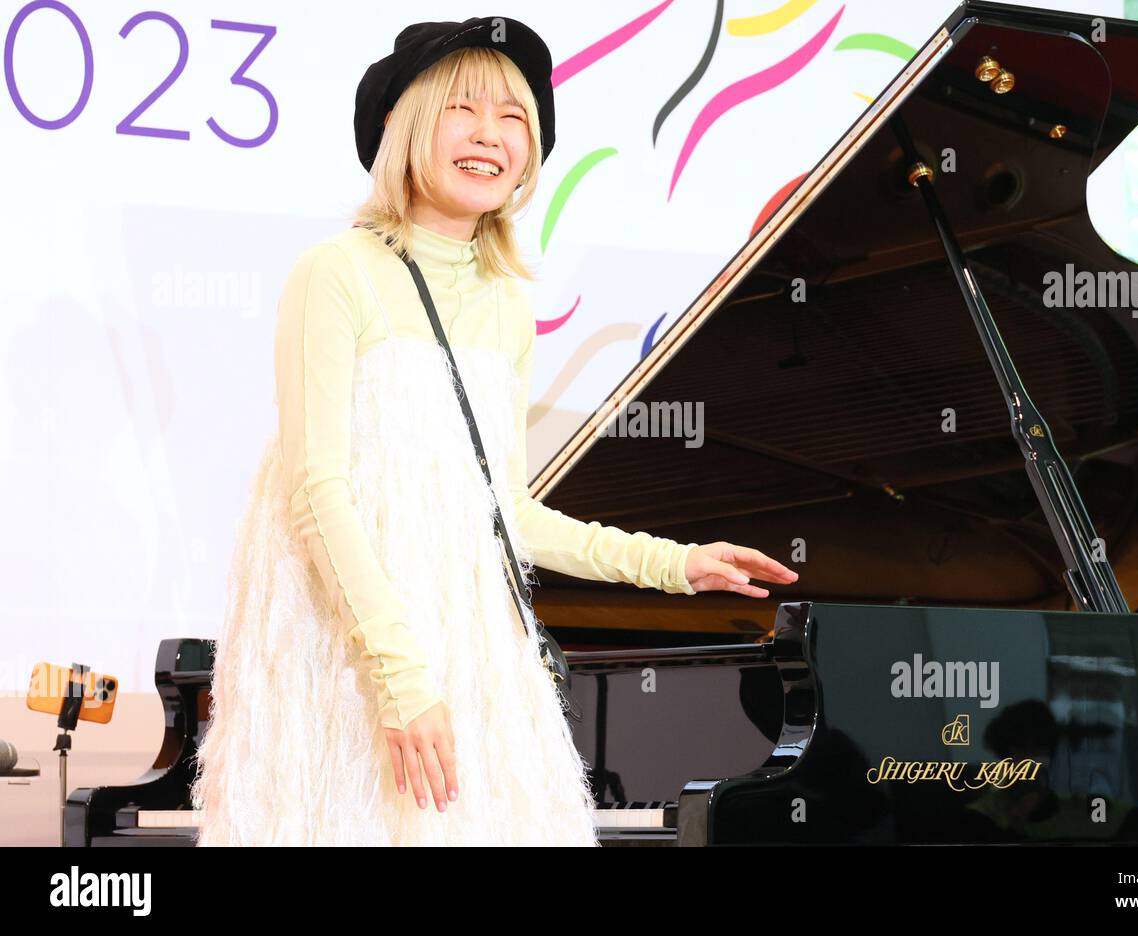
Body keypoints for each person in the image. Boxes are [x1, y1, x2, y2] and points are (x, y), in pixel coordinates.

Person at [190, 16, 797, 846]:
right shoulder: (336, 272)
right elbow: (317, 490)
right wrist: (401, 680)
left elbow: (502, 510)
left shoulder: (508, 302)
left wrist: (678, 565)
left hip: (470, 656)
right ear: (407, 128)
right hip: (346, 657)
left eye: (514, 117)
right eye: (463, 110)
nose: (491, 137)